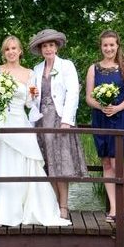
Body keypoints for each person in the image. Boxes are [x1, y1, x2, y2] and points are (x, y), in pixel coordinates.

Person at [0, 36, 71, 239]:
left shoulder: (30, 74)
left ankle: (20, 211)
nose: (11, 52)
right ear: (3, 53)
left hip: (19, 120)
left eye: (14, 48)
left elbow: (30, 102)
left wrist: (34, 95)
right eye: (7, 49)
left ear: (20, 51)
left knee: (21, 164)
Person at [29, 29, 88, 219]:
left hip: (59, 118)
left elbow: (72, 94)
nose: (48, 49)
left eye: (51, 45)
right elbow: (31, 97)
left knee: (61, 163)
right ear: (40, 49)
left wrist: (66, 121)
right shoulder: (37, 69)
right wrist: (33, 96)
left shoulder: (66, 66)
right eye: (44, 46)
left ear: (56, 47)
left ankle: (64, 206)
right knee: (47, 163)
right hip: (40, 120)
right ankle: (53, 204)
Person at [85, 30, 124, 223]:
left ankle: (123, 207)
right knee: (106, 163)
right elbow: (89, 97)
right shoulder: (94, 69)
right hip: (101, 118)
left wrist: (116, 108)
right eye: (105, 45)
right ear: (101, 47)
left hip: (121, 118)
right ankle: (113, 207)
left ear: (117, 46)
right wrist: (102, 106)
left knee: (117, 164)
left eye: (112, 45)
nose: (108, 48)